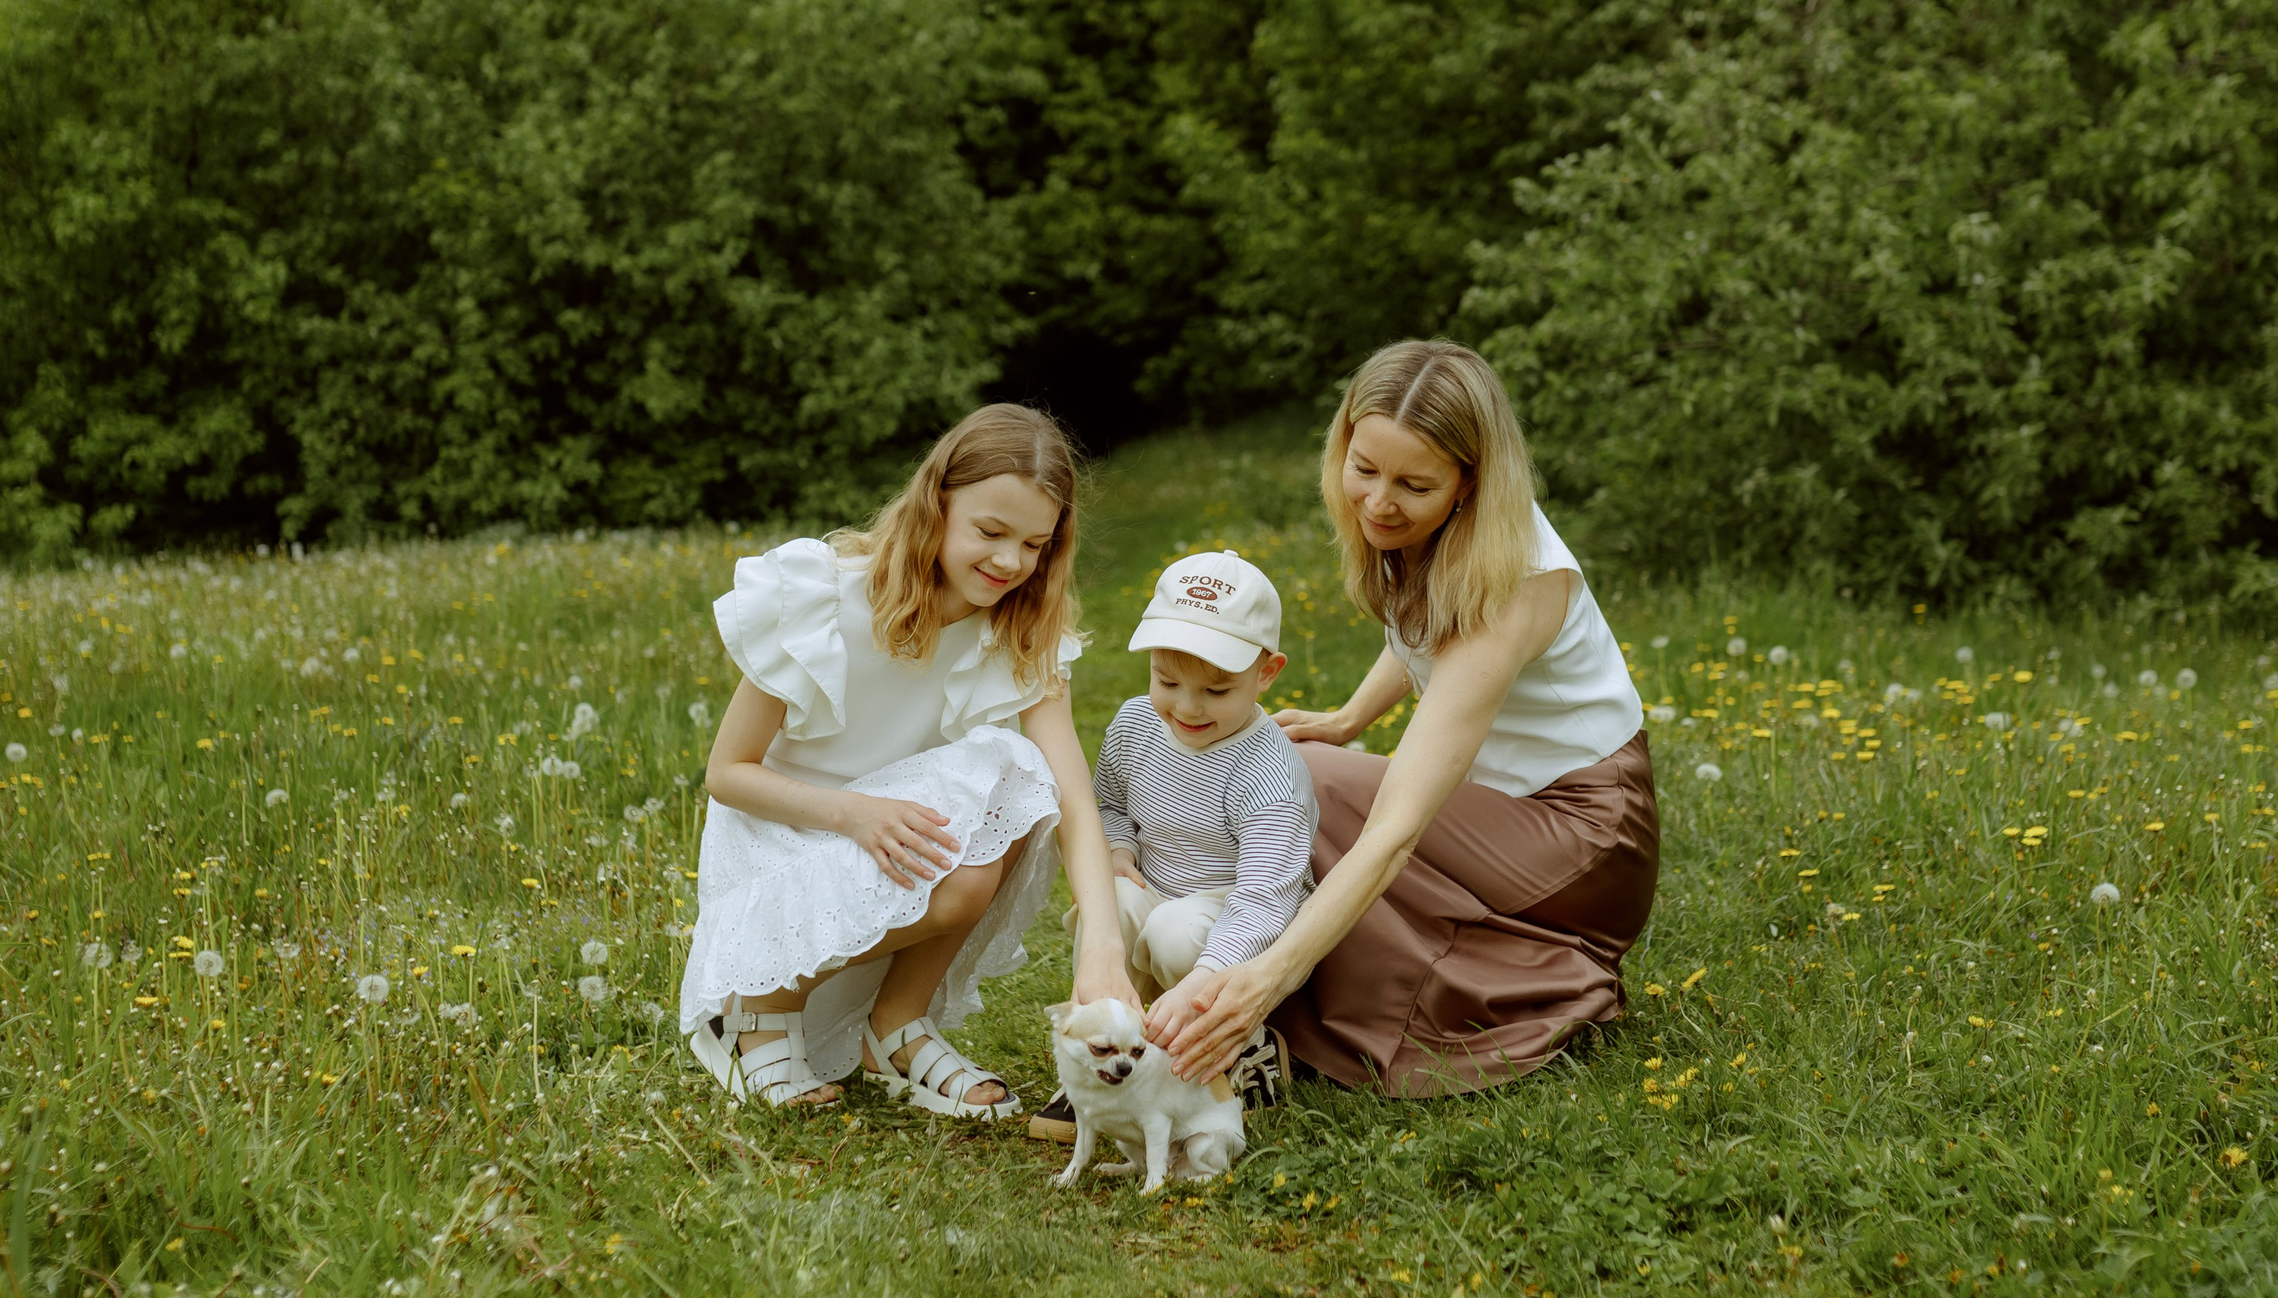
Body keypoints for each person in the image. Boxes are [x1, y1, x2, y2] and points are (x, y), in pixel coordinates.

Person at [1147, 341, 1658, 1095]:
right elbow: (1424, 635)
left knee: (1297, 776)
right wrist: (1352, 716)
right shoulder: (1432, 530)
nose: (1379, 502)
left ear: (1469, 481)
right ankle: (1206, 955)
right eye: (1364, 469)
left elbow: (1396, 830)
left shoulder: (1515, 578)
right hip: (1507, 813)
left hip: (1582, 839)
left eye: (1413, 484)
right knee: (1287, 760)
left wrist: (1270, 977)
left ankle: (1259, 999)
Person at [679, 404, 1142, 1115]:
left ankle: (896, 1021)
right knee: (997, 782)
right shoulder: (824, 594)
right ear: (938, 503)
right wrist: (852, 812)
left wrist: (1102, 948)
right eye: (990, 532)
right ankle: (758, 1002)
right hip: (784, 837)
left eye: (1035, 544)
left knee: (1021, 772)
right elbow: (727, 773)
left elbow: (1073, 800)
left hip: (895, 842)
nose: (1011, 562)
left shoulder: (1018, 633)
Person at [1026, 551, 1310, 1141]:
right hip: (1157, 890)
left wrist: (1204, 980)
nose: (1186, 706)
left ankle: (1239, 1047)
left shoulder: (1269, 773)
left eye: (1215, 688)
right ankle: (1111, 1051)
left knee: (1174, 930)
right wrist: (1120, 853)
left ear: (1267, 673)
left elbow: (1266, 898)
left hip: (1236, 921)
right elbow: (1108, 805)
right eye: (1167, 681)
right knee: (1116, 903)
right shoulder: (1135, 726)